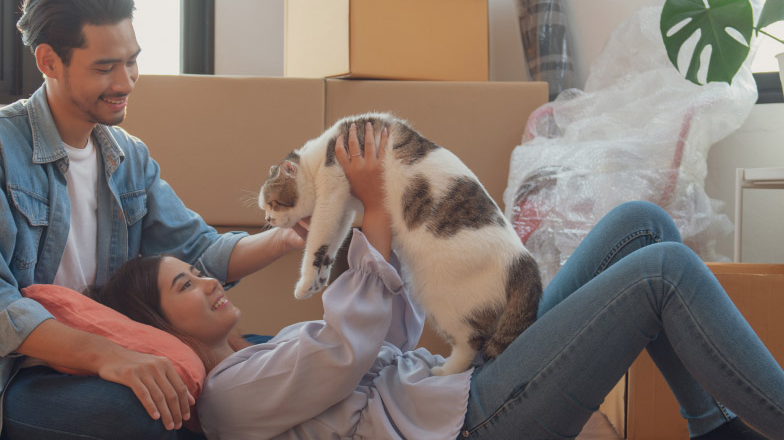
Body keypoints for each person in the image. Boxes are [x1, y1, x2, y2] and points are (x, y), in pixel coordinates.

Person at [95, 122, 784, 440]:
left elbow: (391, 325)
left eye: (195, 272)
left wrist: (370, 224)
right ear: (162, 330)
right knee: (661, 273)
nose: (210, 283)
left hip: (462, 380)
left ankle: (713, 427)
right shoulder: (227, 401)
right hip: (474, 420)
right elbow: (346, 356)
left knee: (640, 224)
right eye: (185, 287)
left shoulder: (263, 347)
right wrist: (371, 210)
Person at [0, 0, 306, 440]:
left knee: (286, 358)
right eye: (105, 67)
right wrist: (111, 357)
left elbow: (199, 253)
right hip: (24, 373)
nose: (125, 81)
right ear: (48, 61)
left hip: (123, 346)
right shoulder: (4, 150)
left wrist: (287, 236)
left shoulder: (128, 157)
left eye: (132, 61)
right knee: (146, 412)